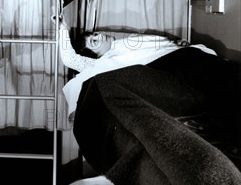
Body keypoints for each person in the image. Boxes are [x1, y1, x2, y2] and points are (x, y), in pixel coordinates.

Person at [56, 16, 211, 120]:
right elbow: (70, 59)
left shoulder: (126, 42)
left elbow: (155, 46)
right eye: (94, 42)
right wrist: (63, 29)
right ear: (93, 54)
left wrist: (175, 45)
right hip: (156, 76)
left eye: (95, 34)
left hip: (174, 61)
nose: (100, 36)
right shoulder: (99, 64)